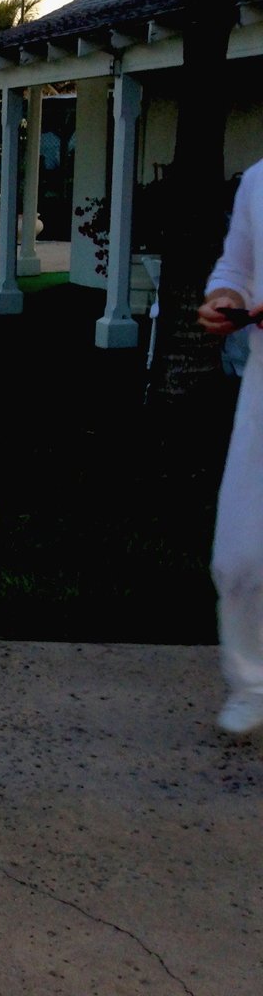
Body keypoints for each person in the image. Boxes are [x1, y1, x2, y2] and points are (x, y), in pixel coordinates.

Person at [197, 159, 263, 735]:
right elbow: (236, 267)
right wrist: (225, 297)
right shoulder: (259, 180)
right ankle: (251, 684)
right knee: (238, 557)